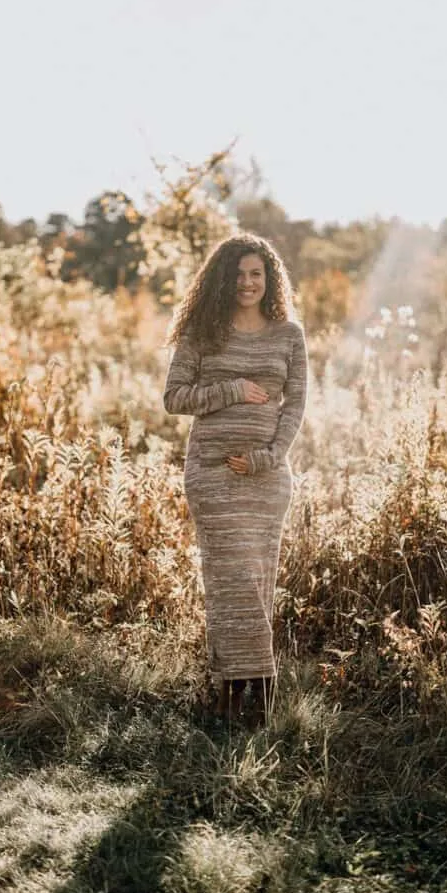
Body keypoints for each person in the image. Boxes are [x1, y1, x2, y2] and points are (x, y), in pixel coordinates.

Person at [162, 233, 308, 725]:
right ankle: (231, 692)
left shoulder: (289, 335)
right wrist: (233, 390)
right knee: (228, 583)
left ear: (269, 281)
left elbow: (295, 407)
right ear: (223, 278)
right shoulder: (202, 333)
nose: (247, 283)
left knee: (257, 581)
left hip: (266, 481)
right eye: (238, 274)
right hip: (212, 474)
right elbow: (175, 398)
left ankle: (255, 695)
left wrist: (268, 458)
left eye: (256, 274)